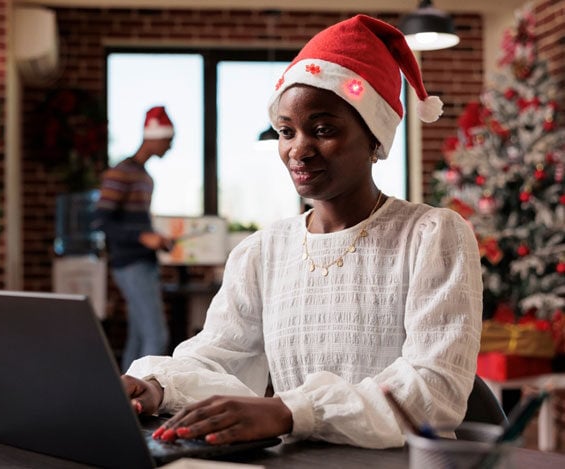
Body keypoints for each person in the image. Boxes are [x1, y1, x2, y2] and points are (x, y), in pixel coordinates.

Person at [121, 15, 483, 449]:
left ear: (375, 138)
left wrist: (290, 411)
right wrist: (159, 387)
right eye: (286, 131)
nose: (298, 149)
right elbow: (220, 357)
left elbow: (433, 390)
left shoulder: (431, 236)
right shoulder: (263, 251)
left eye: (324, 129)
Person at [95, 106, 175, 372]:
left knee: (140, 336)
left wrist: (156, 239)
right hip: (130, 264)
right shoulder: (120, 173)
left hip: (143, 262)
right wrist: (143, 237)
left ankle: (125, 398)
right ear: (153, 136)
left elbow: (135, 222)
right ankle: (143, 399)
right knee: (157, 336)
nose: (170, 146)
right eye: (169, 139)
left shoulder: (144, 176)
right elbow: (102, 221)